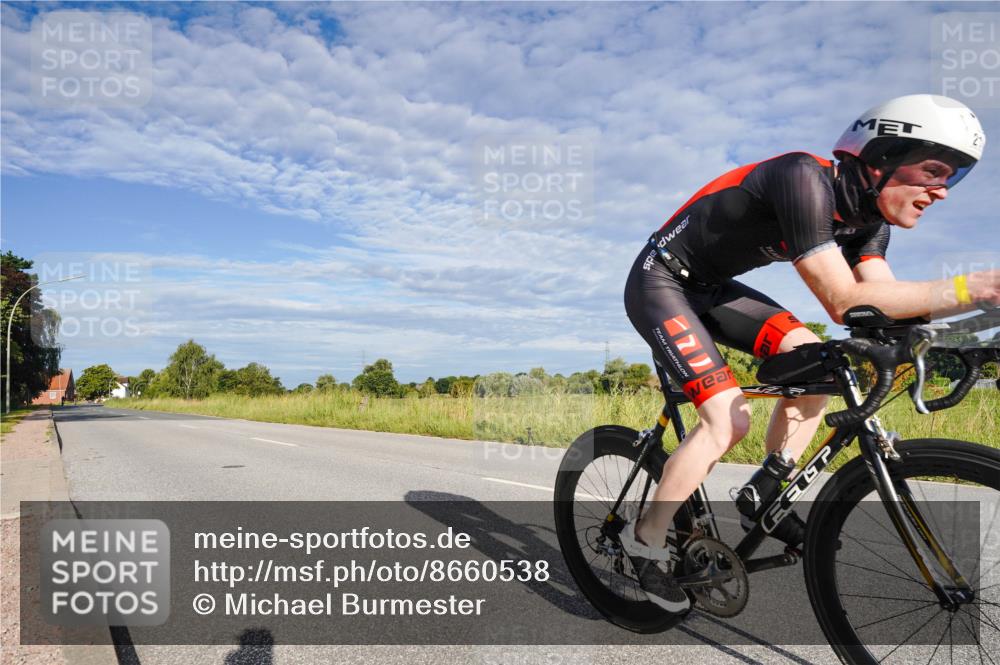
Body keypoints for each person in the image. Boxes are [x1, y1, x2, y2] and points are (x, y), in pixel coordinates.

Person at [620, 94, 1000, 612]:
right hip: (661, 280)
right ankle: (645, 536)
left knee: (822, 362)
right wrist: (974, 288)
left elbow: (879, 306)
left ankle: (765, 489)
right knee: (727, 422)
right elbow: (845, 301)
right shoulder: (803, 178)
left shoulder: (871, 219)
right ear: (882, 155)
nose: (942, 191)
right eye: (934, 170)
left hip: (714, 287)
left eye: (952, 178)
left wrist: (975, 331)